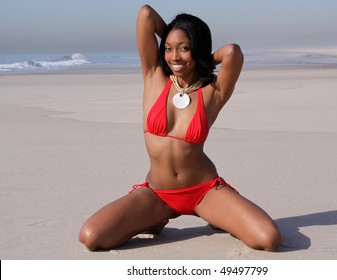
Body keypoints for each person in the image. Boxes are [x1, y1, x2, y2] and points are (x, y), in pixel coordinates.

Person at [79, 5, 282, 252]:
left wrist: (201, 55)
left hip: (204, 192)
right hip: (157, 193)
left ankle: (215, 215)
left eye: (184, 48)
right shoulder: (153, 76)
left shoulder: (213, 92)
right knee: (92, 237)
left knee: (268, 239)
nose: (174, 57)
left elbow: (232, 52)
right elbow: (145, 14)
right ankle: (156, 218)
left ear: (197, 48)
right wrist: (174, 35)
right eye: (168, 48)